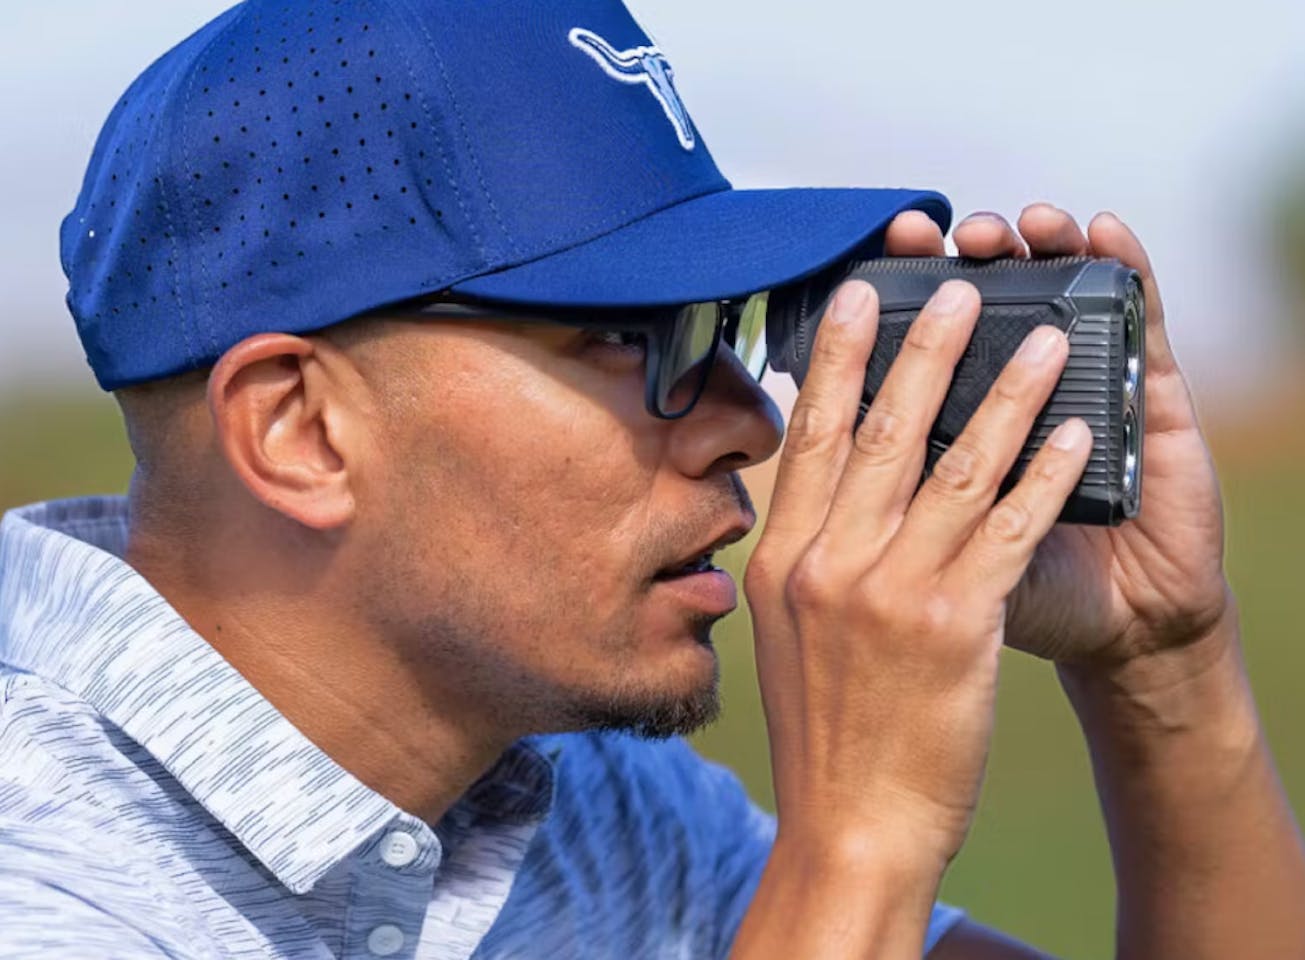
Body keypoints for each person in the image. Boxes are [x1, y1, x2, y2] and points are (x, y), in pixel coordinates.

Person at [0, 0, 1301, 957]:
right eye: (630, 340)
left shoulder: (591, 809)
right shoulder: (42, 881)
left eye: (719, 332)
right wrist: (856, 843)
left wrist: (1161, 672)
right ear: (297, 430)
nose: (746, 422)